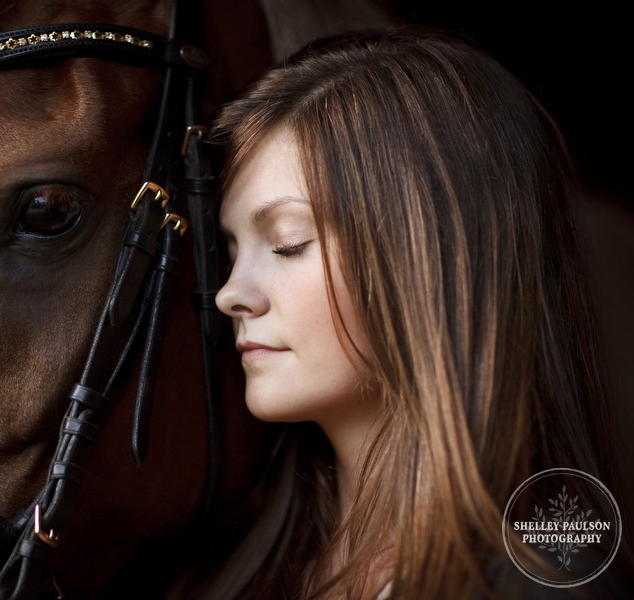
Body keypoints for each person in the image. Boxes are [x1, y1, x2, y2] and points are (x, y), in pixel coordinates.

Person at [190, 28, 629, 599]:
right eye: (231, 250)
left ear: (433, 260)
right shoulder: (231, 576)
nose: (231, 293)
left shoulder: (538, 584)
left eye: (288, 242)